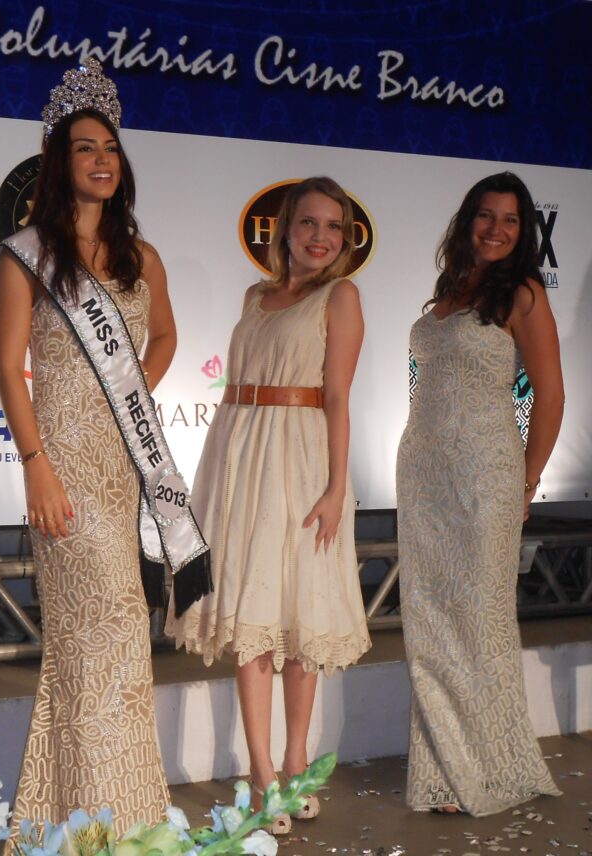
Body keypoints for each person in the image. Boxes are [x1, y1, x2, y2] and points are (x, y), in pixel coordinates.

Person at [0, 59, 209, 837]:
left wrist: (137, 387)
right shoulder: (27, 254)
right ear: (60, 163)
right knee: (100, 631)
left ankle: (79, 817)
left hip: (124, 468)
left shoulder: (139, 256)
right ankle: (106, 822)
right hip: (64, 472)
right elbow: (8, 368)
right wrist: (35, 465)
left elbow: (170, 332)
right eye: (86, 148)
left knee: (112, 640)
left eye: (111, 148)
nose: (102, 160)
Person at [167, 177, 372, 833]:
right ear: (284, 230)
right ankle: (259, 777)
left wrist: (339, 487)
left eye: (333, 227)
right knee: (252, 618)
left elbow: (337, 397)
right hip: (241, 458)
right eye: (309, 223)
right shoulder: (256, 297)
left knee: (301, 623)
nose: (321, 237)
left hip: (304, 460)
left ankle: (295, 766)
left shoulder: (342, 297)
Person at [397, 171, 564, 815]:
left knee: (482, 623)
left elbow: (548, 396)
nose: (496, 229)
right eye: (486, 216)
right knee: (432, 623)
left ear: (524, 233)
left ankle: (492, 767)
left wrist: (528, 478)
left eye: (511, 220)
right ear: (468, 221)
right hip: (423, 476)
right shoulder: (447, 292)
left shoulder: (523, 295)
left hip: (487, 477)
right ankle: (442, 768)